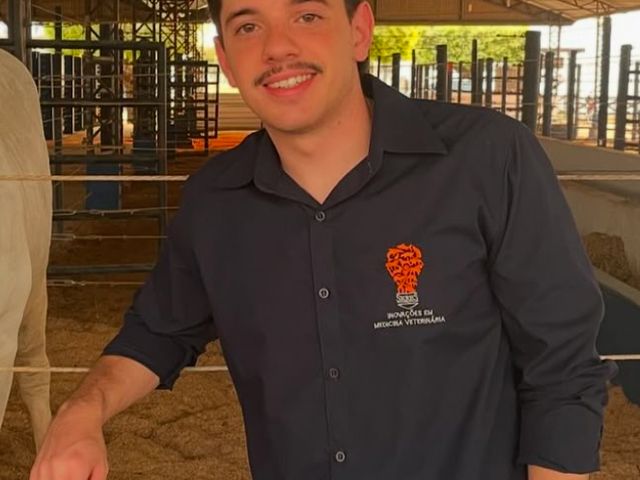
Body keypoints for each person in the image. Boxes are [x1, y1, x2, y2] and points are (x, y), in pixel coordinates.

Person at [31, 1, 617, 479]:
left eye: (306, 16)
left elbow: (561, 363)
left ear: (359, 31)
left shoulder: (486, 158)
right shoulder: (215, 201)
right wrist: (81, 412)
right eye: (248, 26)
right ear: (226, 61)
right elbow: (159, 331)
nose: (277, 47)